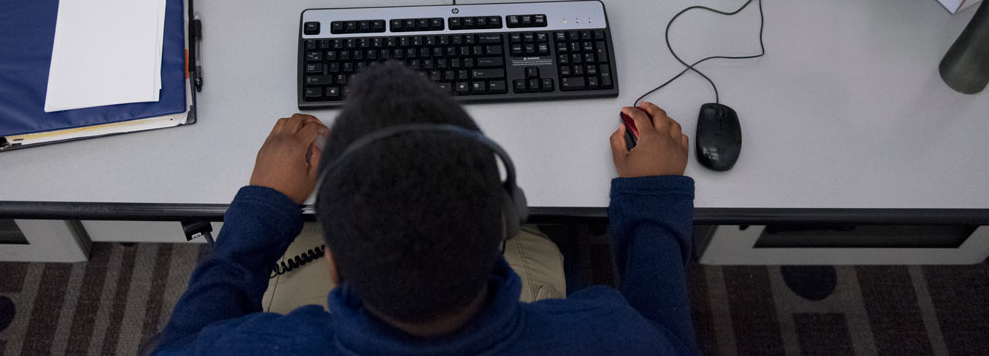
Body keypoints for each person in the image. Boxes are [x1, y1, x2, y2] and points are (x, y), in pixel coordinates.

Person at [153, 61, 697, 354]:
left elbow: (172, 346)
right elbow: (670, 339)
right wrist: (651, 192)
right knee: (563, 246)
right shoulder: (605, 334)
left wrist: (265, 205)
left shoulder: (257, 347)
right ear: (504, 224)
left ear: (334, 264)